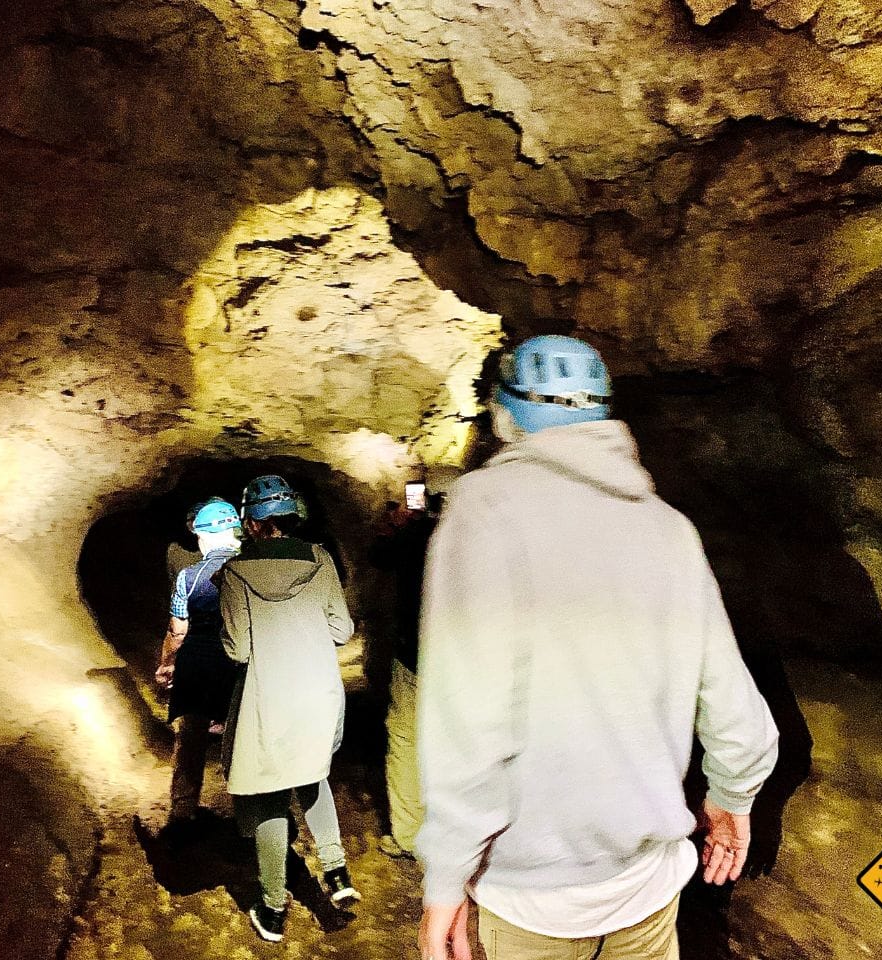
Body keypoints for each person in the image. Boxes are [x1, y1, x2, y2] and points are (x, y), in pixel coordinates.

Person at [417, 335, 780, 960]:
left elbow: (470, 721)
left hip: (536, 896)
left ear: (506, 413)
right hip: (649, 884)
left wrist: (447, 874)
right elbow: (728, 697)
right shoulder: (669, 528)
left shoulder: (484, 512)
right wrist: (732, 796)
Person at [219, 474, 361, 943]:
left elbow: (238, 650)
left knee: (269, 797)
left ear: (253, 523)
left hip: (269, 698)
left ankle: (275, 908)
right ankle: (337, 873)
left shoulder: (236, 573)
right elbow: (341, 630)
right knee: (313, 775)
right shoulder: (320, 559)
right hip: (318, 693)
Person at [369, 468, 455, 860]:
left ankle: (408, 834)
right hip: (468, 663)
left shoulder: (414, 537)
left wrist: (400, 523)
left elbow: (378, 556)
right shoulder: (481, 539)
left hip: (417, 657)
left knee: (406, 739)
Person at [154, 498, 242, 831]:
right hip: (239, 666)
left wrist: (168, 664)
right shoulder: (249, 569)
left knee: (190, 738)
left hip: (198, 664)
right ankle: (251, 812)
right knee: (243, 737)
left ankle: (182, 810)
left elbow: (178, 631)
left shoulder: (190, 576)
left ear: (202, 537)